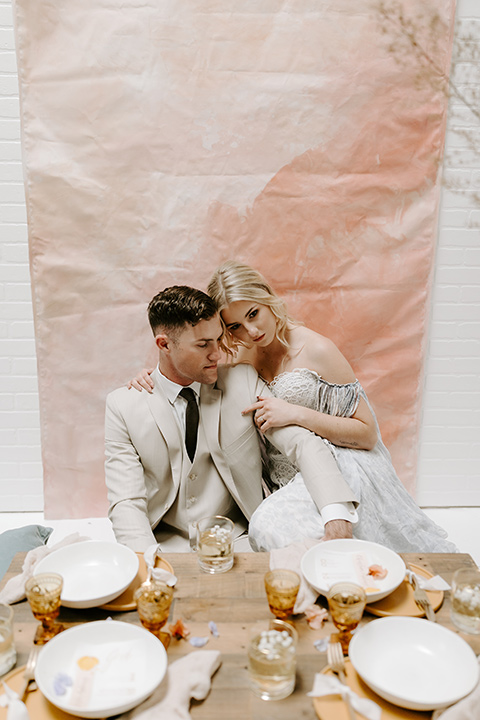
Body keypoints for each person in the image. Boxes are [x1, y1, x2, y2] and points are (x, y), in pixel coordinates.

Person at [106, 285, 358, 553]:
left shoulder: (243, 382)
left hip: (240, 543)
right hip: (162, 547)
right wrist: (149, 564)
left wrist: (337, 519)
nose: (217, 353)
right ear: (164, 344)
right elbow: (126, 501)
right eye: (203, 345)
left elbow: (302, 443)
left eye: (217, 339)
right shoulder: (123, 405)